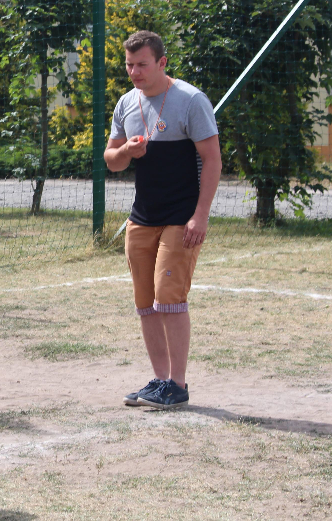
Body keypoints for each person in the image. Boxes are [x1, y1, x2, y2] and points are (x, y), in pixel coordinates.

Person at [104, 30, 221, 409]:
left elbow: (214, 160)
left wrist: (200, 216)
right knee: (145, 301)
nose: (134, 72)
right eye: (129, 65)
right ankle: (159, 381)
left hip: (181, 216)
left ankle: (178, 384)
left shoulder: (190, 100)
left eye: (142, 64)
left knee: (168, 296)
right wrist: (127, 150)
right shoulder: (126, 104)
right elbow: (111, 161)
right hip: (142, 217)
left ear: (161, 63)